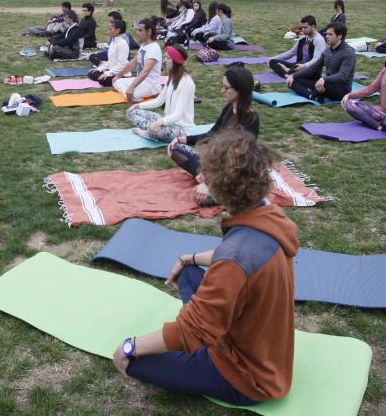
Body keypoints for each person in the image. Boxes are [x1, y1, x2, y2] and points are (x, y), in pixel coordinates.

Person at [113, 131, 298, 407]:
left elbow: (190, 332)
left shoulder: (234, 260)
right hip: (261, 348)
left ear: (220, 187)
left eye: (206, 174)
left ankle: (198, 349)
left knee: (136, 362)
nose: (201, 177)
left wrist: (130, 346)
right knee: (188, 272)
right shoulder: (269, 217)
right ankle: (208, 325)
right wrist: (190, 258)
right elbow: (238, 258)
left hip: (248, 377)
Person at [168, 65, 260, 206]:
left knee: (202, 199)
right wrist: (184, 139)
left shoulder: (251, 119)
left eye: (226, 88)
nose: (222, 91)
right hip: (216, 166)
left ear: (239, 90)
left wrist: (208, 180)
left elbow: (237, 159)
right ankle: (207, 180)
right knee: (176, 149)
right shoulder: (229, 108)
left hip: (234, 173)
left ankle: (219, 190)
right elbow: (212, 134)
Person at [126, 45, 195, 142]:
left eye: (168, 58)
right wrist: (138, 105)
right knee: (132, 112)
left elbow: (178, 114)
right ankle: (151, 130)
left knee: (154, 130)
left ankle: (146, 133)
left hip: (181, 130)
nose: (164, 61)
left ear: (175, 60)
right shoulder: (172, 78)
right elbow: (159, 100)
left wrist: (159, 123)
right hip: (167, 121)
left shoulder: (186, 82)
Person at [289, 22, 356, 102]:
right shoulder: (327, 52)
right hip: (325, 83)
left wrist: (324, 79)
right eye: (326, 34)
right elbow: (313, 68)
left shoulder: (348, 53)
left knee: (323, 84)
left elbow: (342, 76)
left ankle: (313, 94)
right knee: (294, 80)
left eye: (330, 34)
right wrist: (293, 75)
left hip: (341, 89)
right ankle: (311, 96)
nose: (326, 36)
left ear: (340, 36)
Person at [112, 17, 163, 102]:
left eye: (140, 30)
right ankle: (129, 92)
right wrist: (118, 75)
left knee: (133, 95)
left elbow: (146, 71)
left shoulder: (154, 48)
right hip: (140, 80)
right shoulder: (143, 46)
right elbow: (133, 62)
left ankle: (154, 91)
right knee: (117, 82)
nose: (137, 33)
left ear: (149, 32)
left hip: (150, 84)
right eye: (137, 30)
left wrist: (131, 87)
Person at [88, 19, 130, 87]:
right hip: (112, 72)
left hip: (121, 75)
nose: (108, 31)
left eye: (110, 29)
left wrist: (108, 73)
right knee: (91, 73)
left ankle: (108, 78)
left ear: (118, 30)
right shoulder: (113, 43)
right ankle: (104, 76)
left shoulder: (123, 44)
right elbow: (110, 62)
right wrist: (99, 69)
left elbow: (122, 65)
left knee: (103, 80)